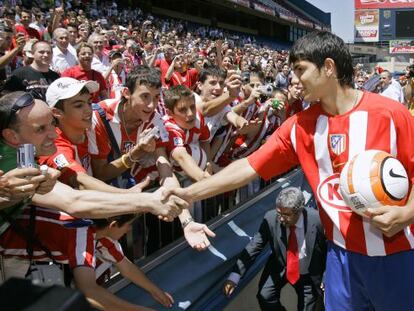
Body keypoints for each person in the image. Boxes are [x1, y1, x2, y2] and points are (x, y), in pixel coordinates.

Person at [165, 31, 414, 311]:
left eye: (300, 70)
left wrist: (407, 213)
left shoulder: (391, 114)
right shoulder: (299, 126)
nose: (293, 79)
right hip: (340, 257)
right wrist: (188, 193)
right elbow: (248, 167)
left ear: (328, 67)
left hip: (397, 255)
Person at [0, 91, 186, 229]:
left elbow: (76, 195)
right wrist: (146, 200)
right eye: (40, 129)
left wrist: (146, 199)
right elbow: (76, 197)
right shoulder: (14, 162)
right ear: (12, 136)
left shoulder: (26, 153)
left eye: (51, 124)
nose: (52, 134)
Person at [223, 187, 326, 310]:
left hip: (308, 273)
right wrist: (235, 277)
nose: (281, 218)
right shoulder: (271, 218)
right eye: (279, 213)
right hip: (281, 267)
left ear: (299, 211)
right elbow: (255, 246)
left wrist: (326, 276)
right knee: (264, 296)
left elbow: (329, 251)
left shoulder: (318, 220)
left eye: (286, 215)